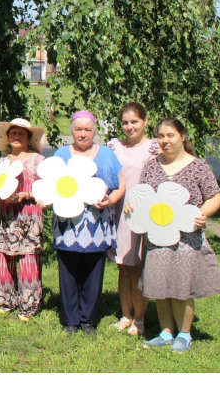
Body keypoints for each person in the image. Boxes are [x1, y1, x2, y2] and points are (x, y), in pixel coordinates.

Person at [130, 118, 220, 353]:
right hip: (156, 238)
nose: (165, 140)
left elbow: (215, 196)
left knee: (182, 288)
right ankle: (165, 333)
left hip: (186, 239)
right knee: (160, 287)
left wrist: (203, 213)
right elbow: (142, 197)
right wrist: (131, 207)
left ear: (182, 136)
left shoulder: (198, 166)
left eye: (170, 135)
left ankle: (184, 335)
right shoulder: (152, 166)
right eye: (160, 136)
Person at [52, 111, 124, 335]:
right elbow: (49, 183)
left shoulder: (106, 154)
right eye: (78, 129)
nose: (83, 134)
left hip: (97, 224)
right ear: (71, 131)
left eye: (88, 130)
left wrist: (111, 199)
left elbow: (121, 184)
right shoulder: (62, 153)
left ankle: (88, 320)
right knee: (68, 272)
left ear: (94, 131)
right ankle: (70, 320)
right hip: (67, 225)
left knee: (93, 273)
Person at [0, 118, 46, 321]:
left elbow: (45, 189)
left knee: (28, 259)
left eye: (21, 134)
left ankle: (28, 306)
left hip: (28, 215)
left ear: (28, 139)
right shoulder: (2, 161)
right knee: (4, 258)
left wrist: (27, 195)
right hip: (7, 216)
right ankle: (5, 301)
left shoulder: (37, 160)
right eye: (13, 133)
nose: (17, 137)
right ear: (8, 138)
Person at [106, 102, 158, 337]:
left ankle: (140, 318)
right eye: (125, 122)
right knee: (123, 268)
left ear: (145, 121)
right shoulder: (115, 147)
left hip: (143, 213)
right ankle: (126, 315)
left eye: (134, 121)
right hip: (119, 211)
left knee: (137, 268)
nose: (129, 126)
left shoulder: (154, 148)